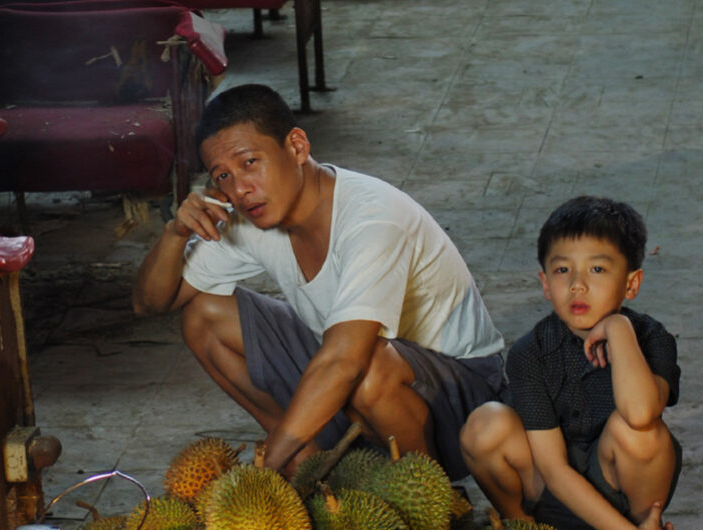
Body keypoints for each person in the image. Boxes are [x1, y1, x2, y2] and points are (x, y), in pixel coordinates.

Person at [133, 84, 505, 478]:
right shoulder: (251, 217)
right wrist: (175, 233)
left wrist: (263, 473)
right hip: (353, 381)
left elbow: (346, 360)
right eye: (222, 176)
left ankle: (426, 493)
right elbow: (150, 303)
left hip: (462, 405)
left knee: (365, 366)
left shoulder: (373, 219)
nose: (240, 189)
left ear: (296, 147)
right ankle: (306, 458)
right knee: (203, 315)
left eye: (250, 162)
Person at [459, 196, 681, 530]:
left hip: (623, 493)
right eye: (563, 270)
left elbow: (642, 413)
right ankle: (522, 529)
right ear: (545, 284)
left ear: (631, 283)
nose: (578, 285)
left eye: (597, 269)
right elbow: (553, 468)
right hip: (550, 493)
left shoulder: (652, 338)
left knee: (640, 432)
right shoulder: (530, 353)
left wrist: (619, 329)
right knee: (485, 423)